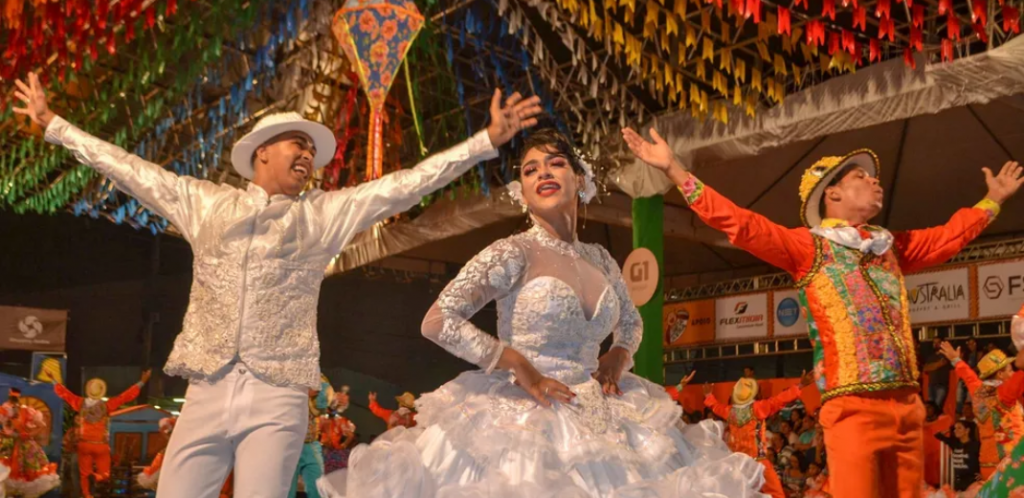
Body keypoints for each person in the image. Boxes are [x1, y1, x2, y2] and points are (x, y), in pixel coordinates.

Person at [12, 72, 543, 498]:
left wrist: (483, 142)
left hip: (277, 396)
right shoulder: (205, 203)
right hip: (207, 389)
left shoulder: (322, 215)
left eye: (312, 149)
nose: (309, 155)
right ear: (261, 151)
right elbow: (129, 169)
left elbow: (403, 186)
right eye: (298, 142)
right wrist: (55, 124)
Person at [317, 128, 766, 498]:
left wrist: (619, 356)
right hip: (518, 415)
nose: (543, 173)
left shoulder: (603, 259)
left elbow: (631, 321)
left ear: (580, 180)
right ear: (523, 193)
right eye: (530, 169)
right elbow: (438, 320)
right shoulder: (512, 252)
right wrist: (517, 364)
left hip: (602, 410)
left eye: (555, 163)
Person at [622, 126, 1024, 498]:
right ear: (831, 195)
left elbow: (945, 238)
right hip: (853, 410)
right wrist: (675, 170)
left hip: (907, 406)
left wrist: (992, 201)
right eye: (860, 178)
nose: (874, 181)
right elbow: (742, 226)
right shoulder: (810, 248)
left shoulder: (889, 245)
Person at [703, 371, 813, 498]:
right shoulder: (757, 408)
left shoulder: (730, 412)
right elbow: (778, 400)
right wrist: (799, 386)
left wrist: (708, 395)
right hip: (758, 463)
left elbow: (716, 407)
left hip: (738, 465)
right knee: (776, 494)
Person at [54, 370, 151, 498]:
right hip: (100, 445)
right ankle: (97, 477)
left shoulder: (79, 404)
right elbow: (125, 396)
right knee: (105, 473)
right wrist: (142, 382)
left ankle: (88, 495)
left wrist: (54, 380)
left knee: (84, 474)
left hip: (84, 445)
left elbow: (65, 394)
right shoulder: (106, 406)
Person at [939, 341, 1024, 479]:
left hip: (987, 463)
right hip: (1010, 464)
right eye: (1010, 370)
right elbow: (1021, 377)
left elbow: (968, 376)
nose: (1012, 373)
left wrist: (955, 359)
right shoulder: (1004, 393)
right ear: (1000, 374)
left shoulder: (977, 391)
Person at [0, 388, 59, 498]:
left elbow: (42, 425)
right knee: (6, 477)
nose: (12, 403)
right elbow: (6, 430)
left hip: (26, 446)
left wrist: (30, 434)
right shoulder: (4, 411)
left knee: (30, 477)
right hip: (10, 447)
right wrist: (6, 434)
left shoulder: (26, 411)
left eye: (15, 399)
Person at [288, 376, 332, 498]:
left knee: (318, 488)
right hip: (288, 443)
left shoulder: (317, 375)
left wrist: (335, 401)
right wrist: (303, 393)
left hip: (311, 443)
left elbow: (324, 403)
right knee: (286, 490)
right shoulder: (283, 372)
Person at [934, 420, 982, 492]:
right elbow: (937, 435)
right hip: (958, 483)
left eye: (959, 428)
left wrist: (982, 473)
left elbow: (984, 459)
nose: (955, 430)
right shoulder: (955, 444)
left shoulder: (975, 445)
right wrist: (949, 430)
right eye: (955, 428)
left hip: (972, 482)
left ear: (967, 430)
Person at [923, 338, 952, 412]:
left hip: (941, 385)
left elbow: (943, 363)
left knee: (937, 406)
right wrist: (938, 364)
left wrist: (932, 366)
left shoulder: (946, 355)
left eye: (938, 342)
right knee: (930, 408)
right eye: (934, 342)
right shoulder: (930, 357)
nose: (936, 344)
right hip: (931, 385)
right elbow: (925, 368)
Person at [956, 339, 981, 414]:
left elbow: (979, 366)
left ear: (976, 344)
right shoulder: (966, 354)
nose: (971, 346)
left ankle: (970, 414)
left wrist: (968, 373)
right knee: (959, 398)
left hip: (973, 378)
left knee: (969, 397)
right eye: (969, 344)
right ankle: (960, 414)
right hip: (964, 378)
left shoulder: (979, 353)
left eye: (972, 343)